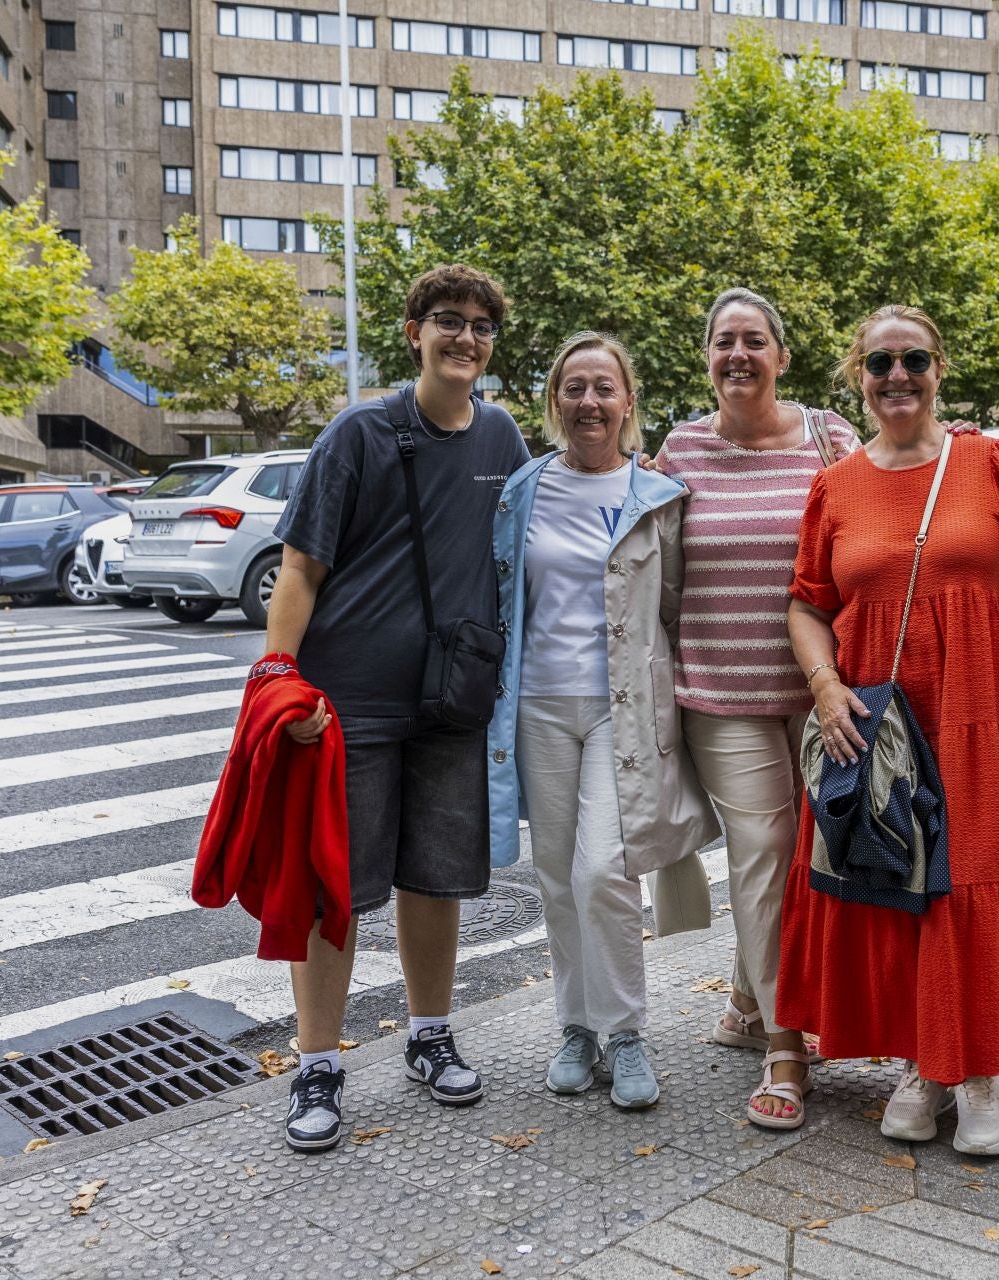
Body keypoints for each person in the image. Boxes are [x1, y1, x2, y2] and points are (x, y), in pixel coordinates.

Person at [778, 305, 999, 1156]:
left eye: (914, 360)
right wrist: (824, 688)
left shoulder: (988, 460)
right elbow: (806, 602)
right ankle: (920, 1062)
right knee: (896, 880)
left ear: (939, 370)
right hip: (876, 713)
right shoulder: (834, 485)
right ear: (856, 377)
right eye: (879, 363)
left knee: (970, 877)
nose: (897, 376)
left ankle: (975, 1073)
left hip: (975, 710)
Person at [263, 264, 530, 1152]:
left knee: (436, 876)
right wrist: (281, 683)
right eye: (449, 322)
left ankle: (428, 1033)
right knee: (332, 890)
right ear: (414, 331)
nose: (466, 339)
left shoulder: (501, 437)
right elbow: (300, 569)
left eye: (482, 327)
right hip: (347, 707)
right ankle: (317, 1062)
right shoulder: (360, 433)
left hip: (453, 700)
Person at [486, 331, 721, 1110]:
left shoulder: (656, 496)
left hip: (623, 712)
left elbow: (682, 605)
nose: (589, 402)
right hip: (538, 708)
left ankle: (625, 1035)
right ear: (556, 401)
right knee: (557, 878)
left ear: (628, 402)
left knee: (603, 872)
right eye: (573, 388)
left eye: (603, 388)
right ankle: (575, 1030)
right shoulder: (525, 489)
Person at [652, 288, 861, 1131]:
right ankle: (784, 1045)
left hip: (824, 688)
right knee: (766, 850)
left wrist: (951, 446)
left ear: (781, 356)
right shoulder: (681, 449)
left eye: (754, 341)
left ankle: (745, 999)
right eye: (722, 342)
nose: (737, 355)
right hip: (721, 693)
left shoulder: (828, 438)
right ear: (707, 357)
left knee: (812, 850)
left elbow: (888, 493)